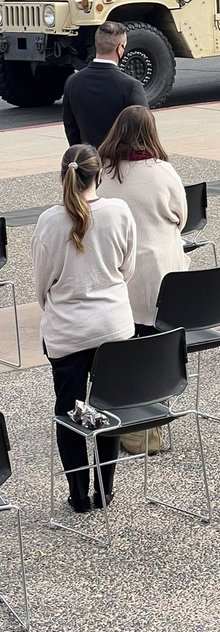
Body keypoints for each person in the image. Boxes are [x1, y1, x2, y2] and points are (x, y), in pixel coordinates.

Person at [32, 144, 136, 513]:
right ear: (99, 174)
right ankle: (105, 490)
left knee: (67, 410)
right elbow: (127, 269)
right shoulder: (119, 211)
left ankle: (78, 495)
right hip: (113, 325)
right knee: (106, 406)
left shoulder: (49, 221)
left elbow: (42, 284)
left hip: (68, 330)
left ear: (63, 175)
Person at [98, 105, 189, 335]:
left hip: (116, 275)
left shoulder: (103, 172)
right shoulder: (162, 171)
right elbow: (182, 218)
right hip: (160, 274)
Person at [62, 22, 149, 148]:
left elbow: (70, 127)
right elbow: (144, 130)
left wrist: (83, 155)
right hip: (120, 157)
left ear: (97, 45)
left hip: (88, 157)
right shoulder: (131, 86)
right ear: (120, 48)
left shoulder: (72, 82)